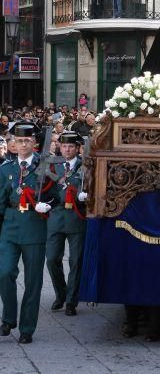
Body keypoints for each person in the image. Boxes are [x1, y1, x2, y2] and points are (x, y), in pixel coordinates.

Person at [0, 124, 58, 343]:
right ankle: (8, 319)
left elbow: (56, 195)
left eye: (27, 141)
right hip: (10, 227)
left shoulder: (44, 166)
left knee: (33, 281)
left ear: (34, 142)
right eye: (19, 140)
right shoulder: (6, 169)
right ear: (13, 143)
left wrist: (48, 204)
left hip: (34, 227)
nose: (23, 144)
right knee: (4, 273)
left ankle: (26, 328)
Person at [46, 132, 87, 316]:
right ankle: (61, 293)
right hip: (56, 216)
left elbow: (91, 187)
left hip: (76, 217)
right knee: (52, 259)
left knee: (75, 261)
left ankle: (71, 300)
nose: (67, 149)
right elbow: (47, 191)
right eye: (64, 146)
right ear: (60, 147)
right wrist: (46, 204)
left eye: (71, 146)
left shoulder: (85, 165)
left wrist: (84, 198)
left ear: (77, 148)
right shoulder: (54, 166)